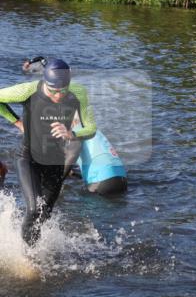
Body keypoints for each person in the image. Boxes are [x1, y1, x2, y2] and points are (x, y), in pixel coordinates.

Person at [0, 58, 96, 246]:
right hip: (28, 157)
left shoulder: (79, 93)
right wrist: (17, 122)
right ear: (44, 82)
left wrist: (71, 133)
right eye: (53, 90)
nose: (58, 96)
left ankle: (32, 248)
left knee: (46, 213)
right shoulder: (28, 90)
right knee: (34, 209)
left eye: (63, 90)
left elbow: (91, 128)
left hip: (55, 161)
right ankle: (27, 258)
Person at [21, 56, 127, 196]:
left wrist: (57, 182)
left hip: (101, 181)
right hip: (121, 177)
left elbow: (72, 153)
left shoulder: (74, 131)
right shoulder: (90, 130)